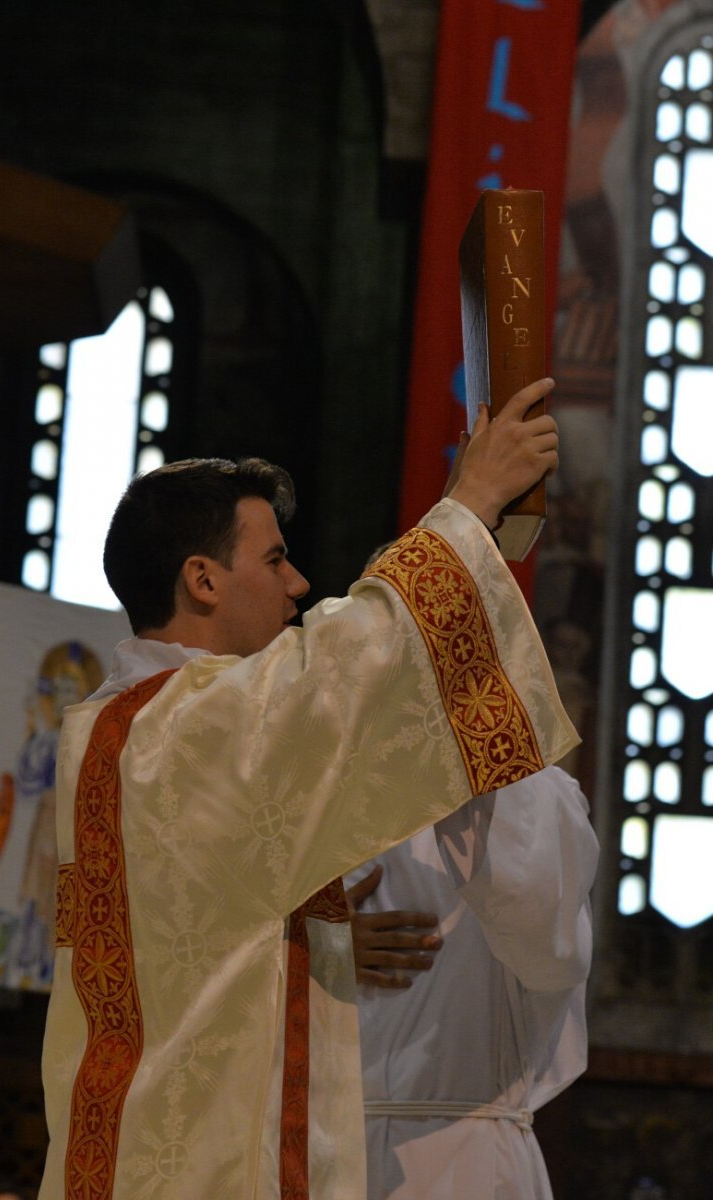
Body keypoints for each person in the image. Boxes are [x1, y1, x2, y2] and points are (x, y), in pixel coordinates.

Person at [38, 380, 577, 1200]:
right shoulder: (188, 729)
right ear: (203, 581)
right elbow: (350, 666)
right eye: (276, 559)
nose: (298, 586)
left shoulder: (120, 730)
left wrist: (315, 948)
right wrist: (472, 501)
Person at [346, 765, 598, 1199]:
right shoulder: (316, 794)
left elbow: (551, 954)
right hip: (326, 1148)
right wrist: (308, 944)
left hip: (467, 1157)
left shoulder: (531, 794)